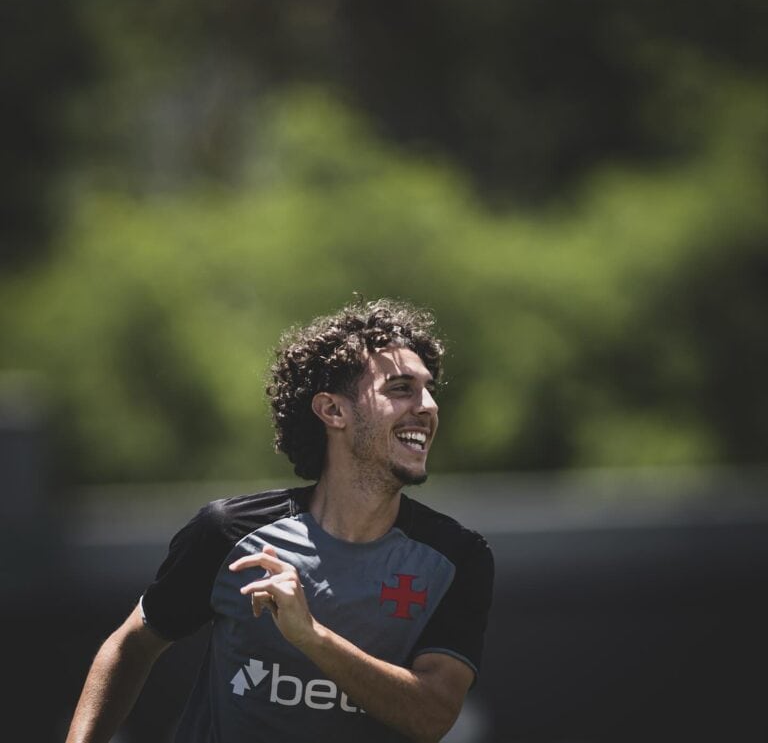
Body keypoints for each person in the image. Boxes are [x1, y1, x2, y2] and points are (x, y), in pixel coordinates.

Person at [65, 297, 495, 743]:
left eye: (429, 389)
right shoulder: (227, 532)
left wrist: (311, 637)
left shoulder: (457, 559)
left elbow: (433, 717)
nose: (427, 406)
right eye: (401, 388)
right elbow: (130, 647)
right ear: (333, 411)